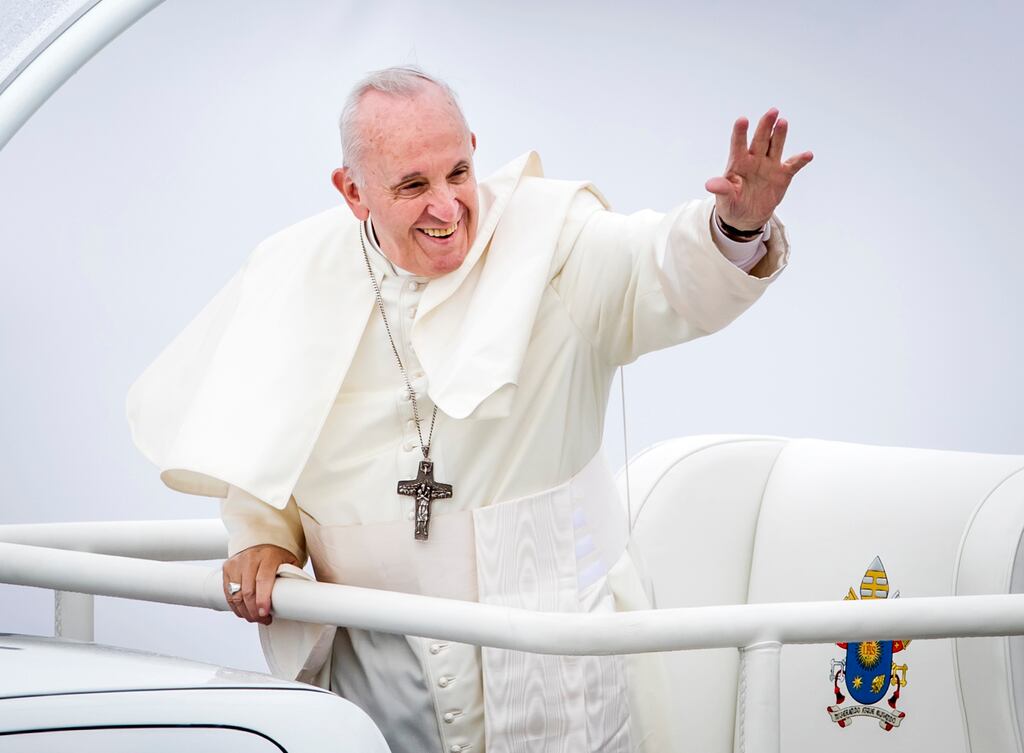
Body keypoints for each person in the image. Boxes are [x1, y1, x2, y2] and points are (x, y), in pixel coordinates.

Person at [126, 65, 811, 753]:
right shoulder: (291, 273)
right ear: (352, 191)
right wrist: (264, 533)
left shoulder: (552, 235)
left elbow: (653, 265)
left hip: (555, 666)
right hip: (377, 677)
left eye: (459, 172)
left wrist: (731, 226)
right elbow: (262, 426)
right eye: (414, 185)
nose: (448, 208)